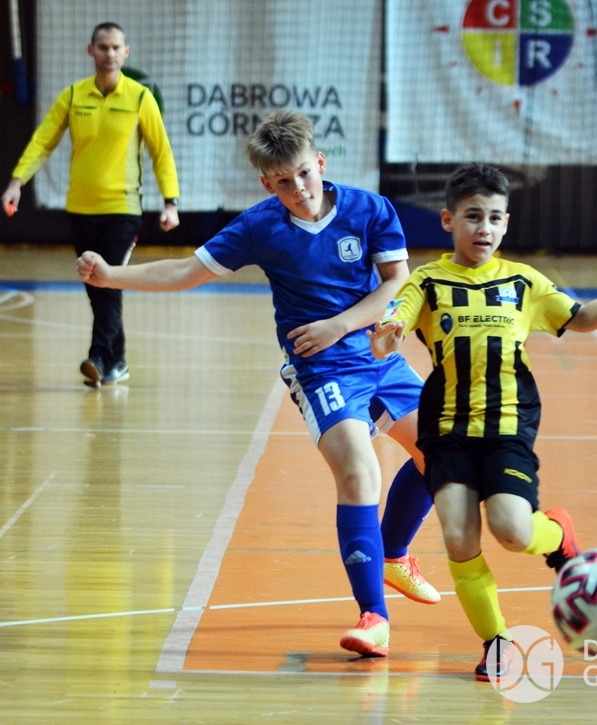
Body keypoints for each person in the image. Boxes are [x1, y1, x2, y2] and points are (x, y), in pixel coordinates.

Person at [77, 109, 440, 657]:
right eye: (283, 182)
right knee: (360, 472)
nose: (299, 189)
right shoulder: (259, 226)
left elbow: (397, 283)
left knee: (443, 452)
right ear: (268, 184)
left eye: (304, 174)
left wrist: (340, 324)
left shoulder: (369, 209)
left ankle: (392, 554)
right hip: (320, 370)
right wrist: (111, 276)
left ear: (320, 163)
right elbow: (186, 271)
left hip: (377, 358)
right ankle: (374, 617)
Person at [368, 163, 597, 681]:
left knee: (511, 529)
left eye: (494, 218)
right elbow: (395, 318)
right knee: (460, 539)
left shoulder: (523, 281)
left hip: (507, 426)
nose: (483, 227)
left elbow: (581, 318)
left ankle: (558, 534)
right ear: (448, 220)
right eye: (472, 216)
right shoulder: (428, 281)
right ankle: (496, 643)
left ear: (506, 224)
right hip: (446, 430)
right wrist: (387, 335)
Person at [1, 21, 180, 387]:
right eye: (102, 47)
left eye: (115, 47)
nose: (109, 53)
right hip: (81, 210)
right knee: (97, 286)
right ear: (91, 51)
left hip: (122, 211)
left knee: (108, 281)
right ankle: (118, 361)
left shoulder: (140, 98)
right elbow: (43, 142)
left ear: (125, 52)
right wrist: (17, 182)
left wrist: (170, 202)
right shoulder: (72, 96)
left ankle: (97, 356)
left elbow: (161, 152)